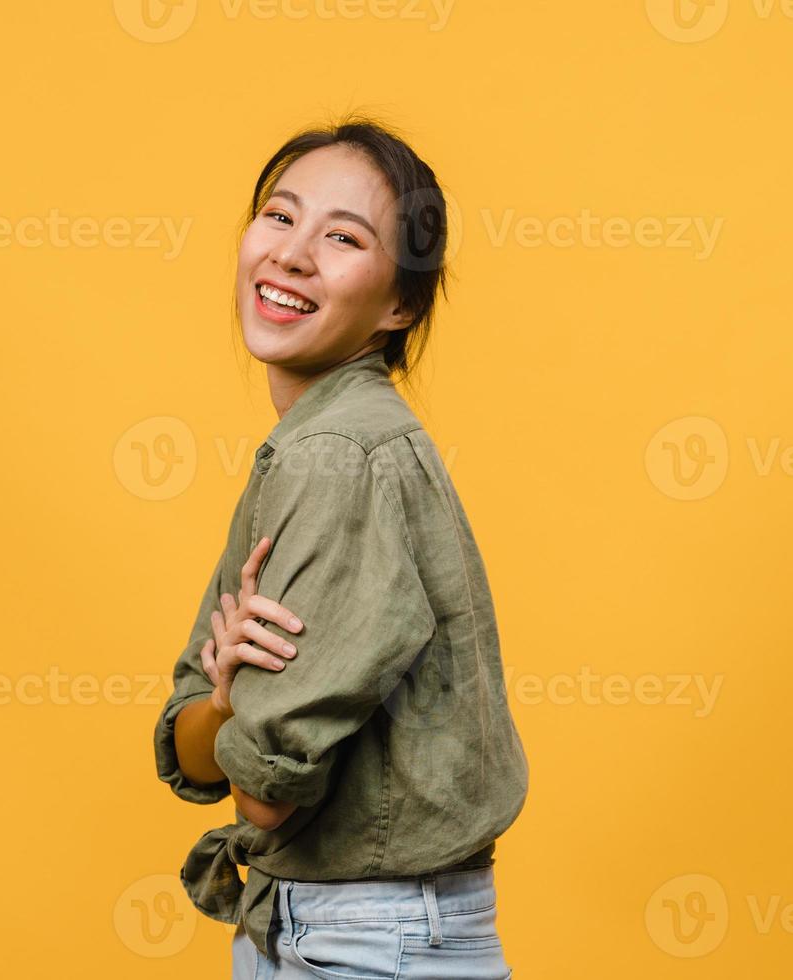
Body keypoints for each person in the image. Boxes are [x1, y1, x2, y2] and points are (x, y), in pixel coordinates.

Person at [151, 116, 529, 979]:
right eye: (280, 217)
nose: (291, 255)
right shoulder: (311, 446)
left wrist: (234, 710)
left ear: (399, 305)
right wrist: (225, 697)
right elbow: (190, 744)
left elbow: (262, 794)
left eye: (344, 238)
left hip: (364, 944)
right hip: (319, 932)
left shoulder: (339, 456)